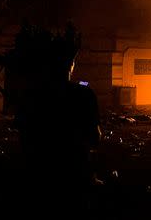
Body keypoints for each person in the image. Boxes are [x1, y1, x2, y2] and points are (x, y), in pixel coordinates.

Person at [12, 24, 101, 217]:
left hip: (37, 178)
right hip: (74, 177)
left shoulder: (30, 95)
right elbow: (95, 138)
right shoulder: (84, 95)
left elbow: (23, 137)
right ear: (71, 64)